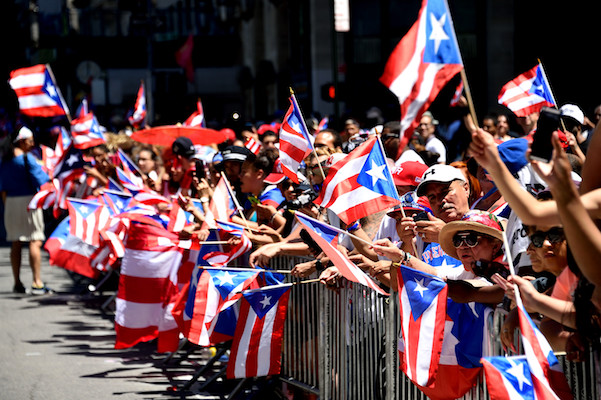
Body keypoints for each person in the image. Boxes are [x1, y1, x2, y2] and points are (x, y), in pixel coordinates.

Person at [0, 127, 52, 294]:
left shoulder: (6, 160)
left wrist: (7, 204)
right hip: (29, 201)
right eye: (30, 140)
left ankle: (17, 283)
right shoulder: (26, 158)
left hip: (11, 203)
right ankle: (37, 282)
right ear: (22, 141)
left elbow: (3, 188)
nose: (33, 143)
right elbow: (42, 178)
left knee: (16, 242)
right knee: (35, 240)